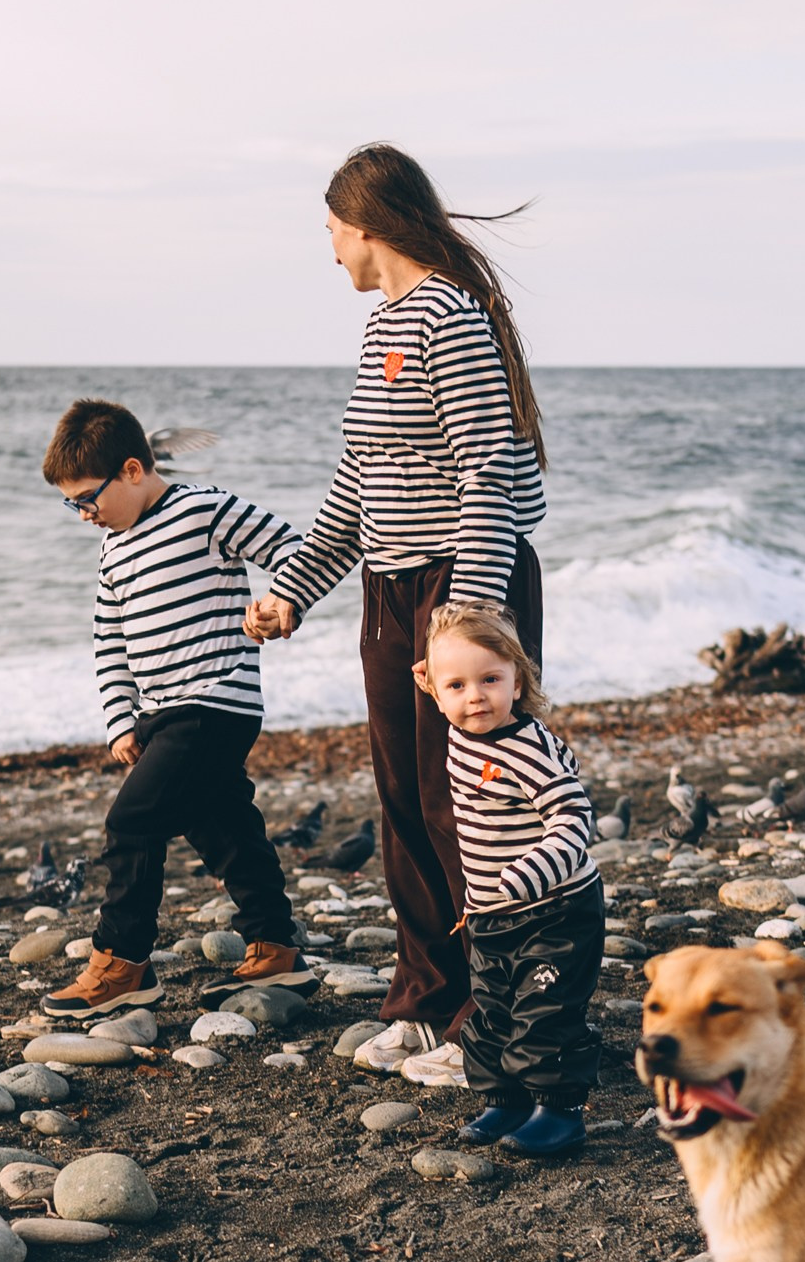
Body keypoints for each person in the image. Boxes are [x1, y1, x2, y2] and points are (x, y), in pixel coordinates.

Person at [247, 143, 547, 1086]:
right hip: (393, 589)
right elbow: (358, 490)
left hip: (459, 583)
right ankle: (426, 1002)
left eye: (331, 229)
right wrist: (293, 587)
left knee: (470, 805)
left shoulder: (447, 320)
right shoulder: (387, 325)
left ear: (366, 224)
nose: (329, 248)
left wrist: (468, 616)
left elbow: (486, 471)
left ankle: (492, 1020)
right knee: (405, 806)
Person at [39, 398, 305, 1017]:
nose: (83, 515)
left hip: (217, 702)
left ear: (133, 470)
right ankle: (277, 946)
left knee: (132, 823)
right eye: (71, 503)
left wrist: (278, 603)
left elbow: (294, 547)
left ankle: (123, 960)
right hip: (160, 715)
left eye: (87, 498)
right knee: (222, 823)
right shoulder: (112, 550)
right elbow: (110, 640)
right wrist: (119, 720)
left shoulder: (204, 510)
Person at [414, 602, 603, 1157]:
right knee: (493, 1007)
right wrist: (432, 677)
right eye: (457, 686)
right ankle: (507, 1099)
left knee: (544, 1010)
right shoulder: (460, 728)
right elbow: (446, 683)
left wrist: (531, 873)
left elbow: (575, 817)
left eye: (491, 680)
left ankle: (560, 1111)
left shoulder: (526, 747)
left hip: (556, 908)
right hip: (491, 912)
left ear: (518, 681)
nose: (474, 697)